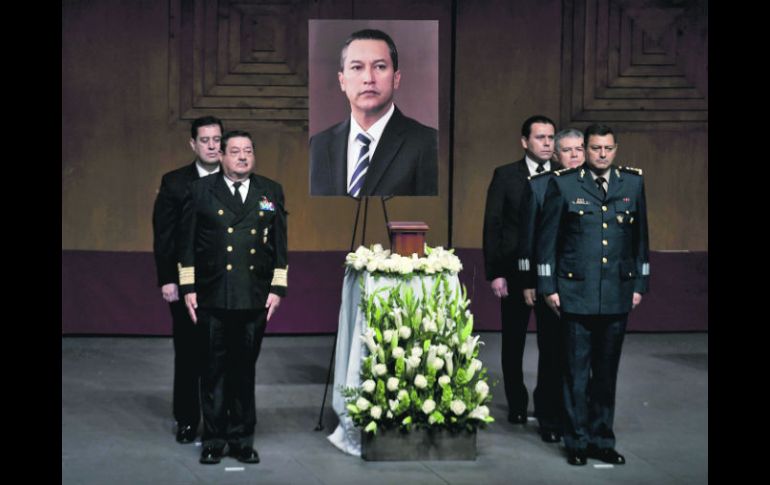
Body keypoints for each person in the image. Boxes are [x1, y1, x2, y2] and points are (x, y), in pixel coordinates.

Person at [536, 124, 649, 466]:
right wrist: (548, 286)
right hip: (575, 292)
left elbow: (640, 239)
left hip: (616, 293)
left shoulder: (632, 183)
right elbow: (548, 241)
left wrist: (640, 285)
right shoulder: (564, 184)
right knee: (575, 372)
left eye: (608, 148)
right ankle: (577, 442)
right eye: (596, 148)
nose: (602, 154)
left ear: (616, 150)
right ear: (585, 149)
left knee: (606, 374)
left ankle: (603, 439)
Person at [177, 130, 288, 465]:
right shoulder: (200, 192)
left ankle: (241, 439)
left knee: (244, 371)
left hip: (253, 296)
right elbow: (186, 243)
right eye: (235, 151)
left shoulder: (269, 191)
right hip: (212, 295)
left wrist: (277, 288)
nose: (242, 157)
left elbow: (280, 245)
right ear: (221, 156)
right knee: (212, 370)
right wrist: (188, 288)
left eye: (248, 151)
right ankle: (213, 439)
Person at [152, 115, 223, 444]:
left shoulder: (238, 178)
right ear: (193, 144)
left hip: (226, 284)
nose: (212, 145)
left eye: (216, 139)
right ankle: (187, 419)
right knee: (189, 352)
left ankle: (219, 420)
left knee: (224, 354)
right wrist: (168, 279)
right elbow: (164, 235)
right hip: (187, 282)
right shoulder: (174, 182)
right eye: (205, 140)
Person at [482, 114, 556, 427]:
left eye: (551, 138)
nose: (547, 144)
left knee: (552, 344)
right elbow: (493, 226)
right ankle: (517, 403)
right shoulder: (505, 176)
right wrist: (495, 273)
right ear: (524, 142)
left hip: (551, 275)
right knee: (513, 341)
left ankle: (546, 402)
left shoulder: (564, 176)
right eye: (540, 138)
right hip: (513, 272)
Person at [514, 128, 586, 443]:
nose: (575, 155)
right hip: (552, 286)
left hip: (586, 289)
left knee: (581, 358)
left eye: (579, 149)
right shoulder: (541, 186)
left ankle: (577, 418)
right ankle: (549, 418)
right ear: (556, 156)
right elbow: (529, 240)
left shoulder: (598, 187)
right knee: (553, 355)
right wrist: (530, 282)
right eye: (567, 150)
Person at [309, 28, 438, 196]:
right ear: (342, 81)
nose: (368, 78)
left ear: (396, 78)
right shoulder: (318, 145)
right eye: (357, 67)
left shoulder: (428, 143)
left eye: (380, 67)